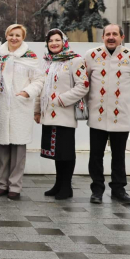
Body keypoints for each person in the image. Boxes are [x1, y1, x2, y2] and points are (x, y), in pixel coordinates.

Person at [85, 24, 130, 205]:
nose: (111, 37)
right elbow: (84, 83)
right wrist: (85, 107)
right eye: (108, 34)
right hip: (97, 115)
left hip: (121, 115)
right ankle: (97, 190)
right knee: (95, 155)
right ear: (103, 37)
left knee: (118, 155)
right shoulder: (91, 55)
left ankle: (118, 190)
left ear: (122, 36)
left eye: (115, 34)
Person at [0, 24, 44, 200]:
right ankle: (2, 184)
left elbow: (39, 79)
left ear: (23, 37)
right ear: (6, 35)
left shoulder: (30, 56)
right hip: (2, 107)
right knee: (2, 150)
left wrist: (27, 92)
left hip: (21, 107)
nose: (14, 38)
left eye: (18, 35)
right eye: (11, 34)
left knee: (19, 151)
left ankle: (15, 186)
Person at [34, 29, 89, 200]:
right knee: (56, 152)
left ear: (64, 42)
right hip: (48, 113)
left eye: (57, 40)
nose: (54, 43)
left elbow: (83, 85)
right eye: (51, 40)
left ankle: (66, 186)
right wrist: (37, 109)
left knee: (65, 151)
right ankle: (58, 184)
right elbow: (40, 86)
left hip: (64, 112)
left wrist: (62, 99)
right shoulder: (46, 62)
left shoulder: (75, 60)